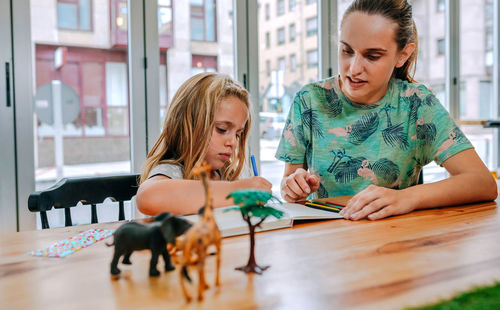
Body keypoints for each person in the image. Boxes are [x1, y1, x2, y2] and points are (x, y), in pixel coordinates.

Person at [276, 0, 497, 221]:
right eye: (347, 50)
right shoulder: (309, 100)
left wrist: (408, 198)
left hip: (393, 241)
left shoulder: (417, 104)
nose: (353, 69)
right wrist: (292, 187)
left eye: (372, 56)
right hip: (325, 240)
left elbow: (483, 183)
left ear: (402, 55)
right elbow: (291, 185)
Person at [136, 72, 271, 215]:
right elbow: (148, 197)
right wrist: (237, 190)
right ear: (190, 125)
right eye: (222, 129)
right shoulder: (173, 171)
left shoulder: (225, 173)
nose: (233, 142)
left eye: (238, 134)